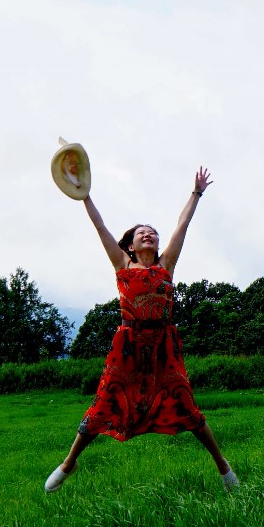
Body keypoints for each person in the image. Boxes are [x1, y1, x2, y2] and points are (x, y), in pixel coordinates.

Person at [45, 166, 238, 493]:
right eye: (142, 233)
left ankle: (223, 467)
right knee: (103, 402)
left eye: (153, 232)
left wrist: (197, 193)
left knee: (186, 405)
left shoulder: (166, 265)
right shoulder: (122, 264)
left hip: (163, 346)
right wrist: (84, 194)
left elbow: (183, 225)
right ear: (131, 246)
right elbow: (99, 225)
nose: (149, 235)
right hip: (129, 344)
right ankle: (68, 463)